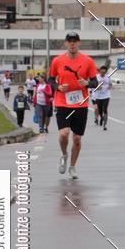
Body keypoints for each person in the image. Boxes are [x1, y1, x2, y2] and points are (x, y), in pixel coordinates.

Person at [48, 31, 98, 179]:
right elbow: (50, 80)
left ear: (79, 43)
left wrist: (87, 83)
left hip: (81, 104)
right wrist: (57, 87)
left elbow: (95, 82)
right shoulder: (57, 61)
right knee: (64, 134)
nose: (72, 43)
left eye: (75, 41)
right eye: (69, 41)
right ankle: (64, 154)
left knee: (76, 139)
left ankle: (72, 166)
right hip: (63, 102)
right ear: (65, 43)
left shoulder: (88, 61)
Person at [92, 64, 112, 130]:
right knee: (100, 110)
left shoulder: (108, 77)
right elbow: (93, 85)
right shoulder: (96, 77)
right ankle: (101, 118)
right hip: (98, 96)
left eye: (104, 72)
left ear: (105, 72)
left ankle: (105, 125)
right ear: (99, 71)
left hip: (106, 95)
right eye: (101, 72)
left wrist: (109, 86)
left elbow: (110, 84)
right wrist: (97, 87)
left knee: (105, 109)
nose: (102, 74)